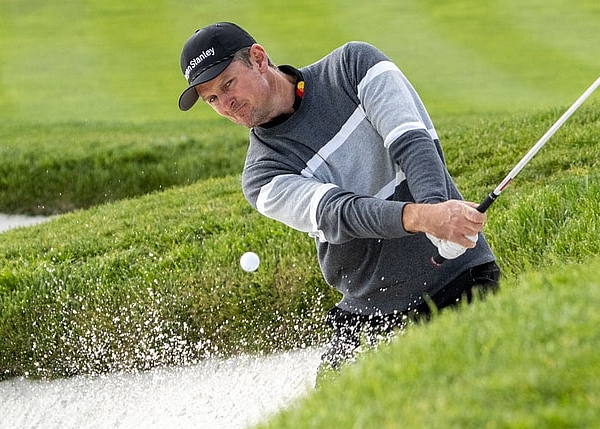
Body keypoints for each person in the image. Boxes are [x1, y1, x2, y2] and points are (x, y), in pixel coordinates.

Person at [177, 22, 500, 371]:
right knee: (333, 415)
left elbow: (411, 140)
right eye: (212, 99)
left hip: (457, 280)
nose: (226, 105)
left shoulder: (352, 66)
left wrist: (438, 210)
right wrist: (425, 218)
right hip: (371, 312)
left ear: (258, 58)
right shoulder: (262, 176)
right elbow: (339, 213)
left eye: (228, 84)